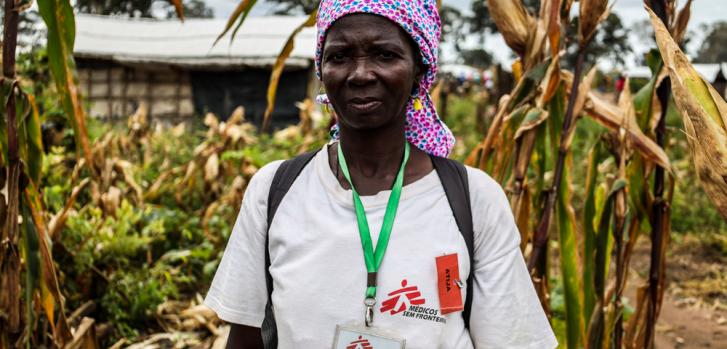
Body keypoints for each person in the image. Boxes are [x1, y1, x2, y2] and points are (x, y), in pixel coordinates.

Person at [204, 1, 557, 348]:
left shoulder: (473, 199)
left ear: (419, 68)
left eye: (384, 55)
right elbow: (245, 339)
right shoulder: (275, 190)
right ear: (321, 69)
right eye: (339, 56)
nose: (360, 74)